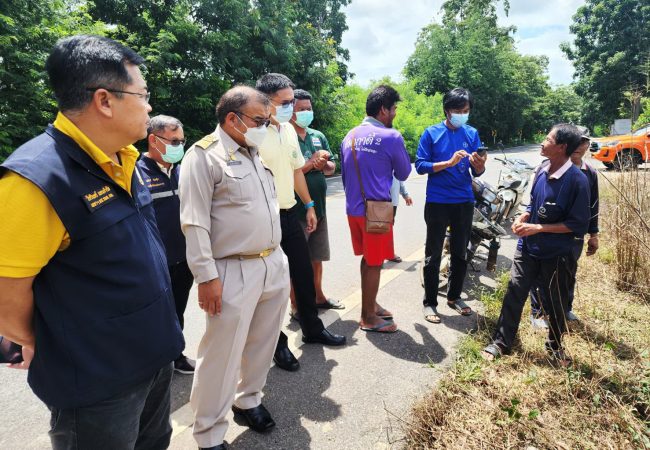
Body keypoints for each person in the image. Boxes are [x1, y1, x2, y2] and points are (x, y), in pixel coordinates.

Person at [0, 35, 184, 449]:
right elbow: (6, 298)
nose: (150, 107)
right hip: (98, 382)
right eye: (143, 94)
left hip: (153, 356)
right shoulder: (36, 180)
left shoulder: (127, 160)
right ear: (105, 100)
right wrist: (47, 342)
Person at [179, 86, 289, 450]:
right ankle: (209, 432)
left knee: (263, 342)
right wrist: (206, 277)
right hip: (232, 269)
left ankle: (249, 399)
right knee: (221, 355)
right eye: (260, 119)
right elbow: (194, 222)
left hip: (272, 262)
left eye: (267, 119)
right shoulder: (204, 156)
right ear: (232, 118)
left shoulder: (254, 152)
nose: (266, 125)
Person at [255, 73, 346, 373]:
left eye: (293, 101)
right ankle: (277, 342)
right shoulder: (252, 133)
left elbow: (296, 172)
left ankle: (312, 327)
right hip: (261, 218)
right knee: (271, 284)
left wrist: (308, 205)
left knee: (303, 273)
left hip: (289, 212)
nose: (291, 107)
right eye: (286, 102)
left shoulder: (287, 131)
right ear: (265, 102)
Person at [482, 123, 591, 367]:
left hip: (557, 254)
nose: (542, 141)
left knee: (556, 301)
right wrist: (524, 216)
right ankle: (501, 341)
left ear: (561, 147)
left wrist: (539, 228)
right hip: (528, 248)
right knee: (514, 292)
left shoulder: (577, 181)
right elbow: (533, 204)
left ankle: (555, 347)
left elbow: (577, 224)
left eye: (548, 138)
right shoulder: (542, 169)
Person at [340, 85, 412, 333]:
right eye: (394, 109)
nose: (394, 114)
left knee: (368, 259)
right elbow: (403, 172)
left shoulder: (349, 135)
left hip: (354, 209)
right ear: (383, 110)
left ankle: (370, 305)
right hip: (377, 211)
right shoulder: (391, 137)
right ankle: (368, 317)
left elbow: (345, 176)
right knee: (374, 263)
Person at [415, 88, 487, 324]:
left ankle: (454, 297)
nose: (462, 115)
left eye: (466, 111)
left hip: (464, 200)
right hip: (437, 201)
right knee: (433, 253)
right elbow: (421, 165)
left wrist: (479, 165)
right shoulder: (431, 133)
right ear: (447, 110)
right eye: (458, 110)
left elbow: (478, 170)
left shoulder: (472, 133)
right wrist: (448, 162)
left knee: (460, 251)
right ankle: (430, 302)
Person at [137, 114, 196, 374]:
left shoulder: (182, 171)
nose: (178, 147)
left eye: (181, 141)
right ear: (153, 140)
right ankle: (153, 365)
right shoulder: (135, 172)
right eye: (173, 141)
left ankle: (176, 355)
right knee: (154, 315)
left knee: (177, 310)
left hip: (184, 258)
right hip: (153, 262)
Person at [529, 127, 599, 328]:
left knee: (568, 272)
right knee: (540, 275)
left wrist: (593, 234)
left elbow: (593, 206)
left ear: (586, 145)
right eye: (577, 141)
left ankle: (564, 309)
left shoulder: (589, 174)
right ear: (565, 146)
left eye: (583, 142)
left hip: (572, 237)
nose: (579, 146)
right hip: (545, 235)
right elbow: (535, 200)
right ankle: (539, 312)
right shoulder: (546, 167)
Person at [289, 88, 343, 313]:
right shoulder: (285, 137)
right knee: (296, 261)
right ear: (289, 111)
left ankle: (318, 296)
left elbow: (331, 168)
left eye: (308, 109)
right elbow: (289, 171)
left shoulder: (317, 136)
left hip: (319, 208)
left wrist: (325, 165)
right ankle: (297, 305)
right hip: (295, 210)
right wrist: (312, 162)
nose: (306, 113)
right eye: (301, 109)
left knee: (316, 257)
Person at [387, 177, 413, 263]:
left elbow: (399, 177)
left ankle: (388, 253)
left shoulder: (394, 164)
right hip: (378, 199)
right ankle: (378, 255)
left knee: (388, 228)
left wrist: (405, 194)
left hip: (392, 200)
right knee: (378, 227)